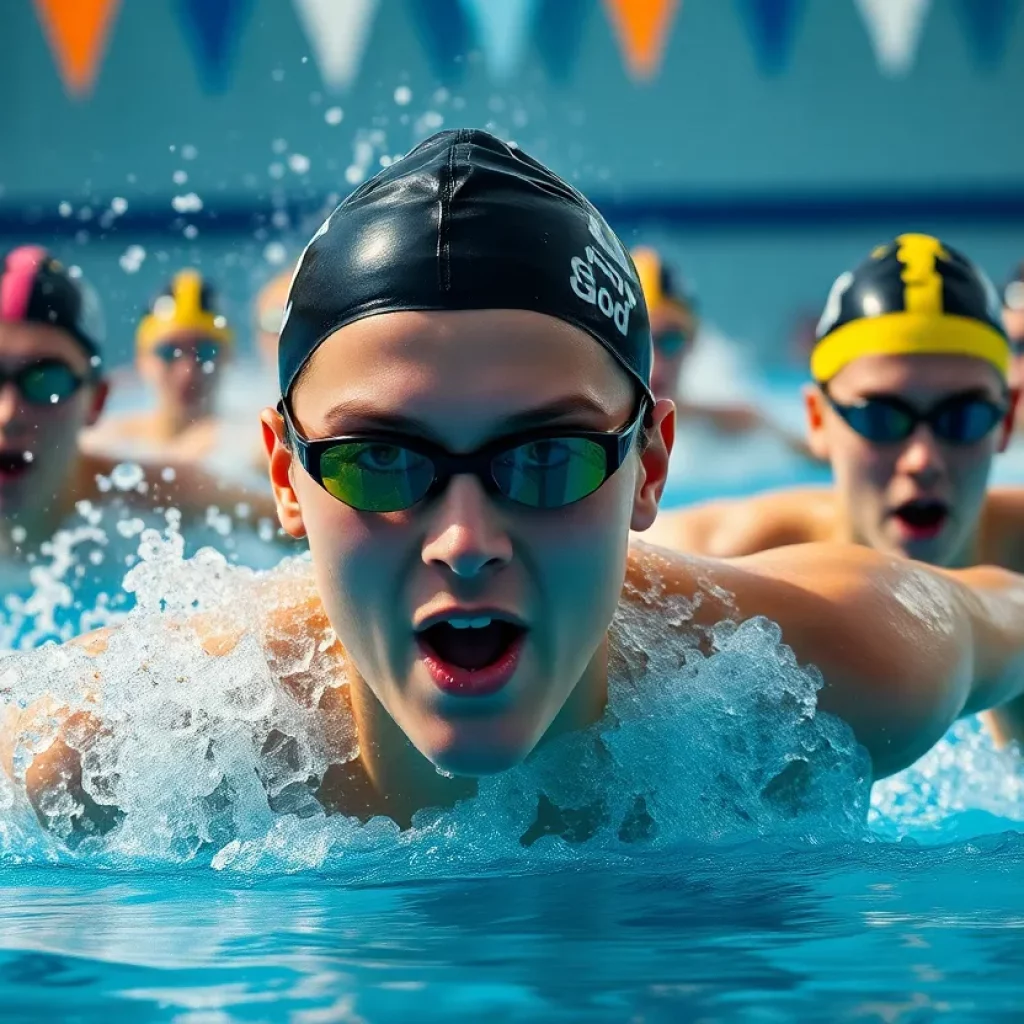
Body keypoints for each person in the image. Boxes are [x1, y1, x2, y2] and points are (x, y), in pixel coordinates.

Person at [12, 134, 1024, 842]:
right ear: (285, 476)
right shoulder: (130, 749)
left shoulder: (840, 667)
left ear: (649, 467)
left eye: (547, 458)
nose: (465, 541)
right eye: (379, 460)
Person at [642, 233, 1024, 742]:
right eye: (881, 417)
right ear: (817, 421)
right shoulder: (733, 555)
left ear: (1007, 421)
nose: (923, 460)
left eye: (964, 418)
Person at [0, 247, 285, 643]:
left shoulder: (160, 493)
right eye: (170, 352)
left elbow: (307, 535)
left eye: (47, 381)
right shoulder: (125, 435)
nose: (8, 413)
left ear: (96, 402)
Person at [631, 245, 810, 454]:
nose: (656, 360)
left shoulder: (724, 423)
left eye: (670, 341)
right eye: (640, 340)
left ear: (691, 343)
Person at [82, 269, 234, 465]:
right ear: (142, 359)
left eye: (205, 351)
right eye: (168, 352)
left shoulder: (247, 441)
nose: (187, 371)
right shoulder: (105, 441)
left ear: (228, 356)